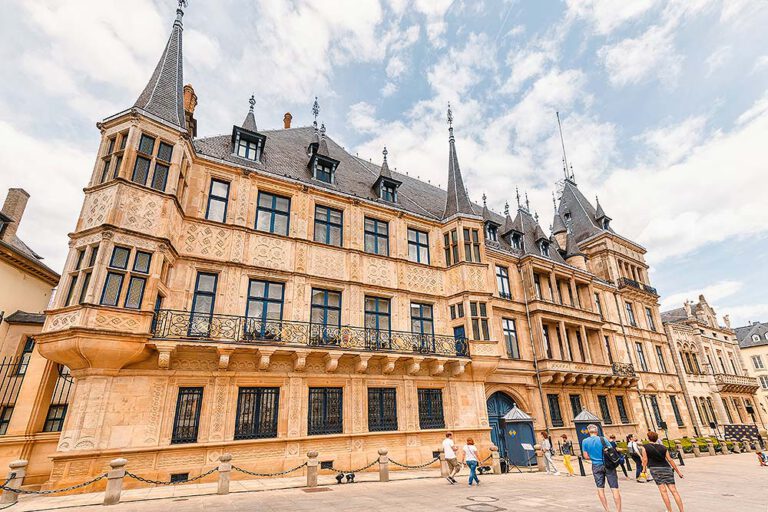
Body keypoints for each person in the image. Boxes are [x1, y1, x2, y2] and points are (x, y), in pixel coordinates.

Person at [582, 424, 622, 512]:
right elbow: (611, 451)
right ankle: (619, 510)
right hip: (608, 465)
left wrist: (593, 457)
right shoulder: (603, 439)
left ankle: (607, 510)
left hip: (596, 466)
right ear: (596, 431)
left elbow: (585, 456)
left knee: (600, 488)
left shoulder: (585, 441)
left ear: (588, 432)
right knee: (614, 488)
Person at [641, 431, 684, 512]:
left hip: (655, 469)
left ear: (648, 438)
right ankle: (682, 510)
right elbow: (670, 460)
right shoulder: (663, 447)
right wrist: (678, 472)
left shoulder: (644, 447)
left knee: (663, 491)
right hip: (667, 468)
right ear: (657, 438)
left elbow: (645, 459)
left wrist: (644, 470)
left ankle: (669, 510)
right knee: (674, 491)